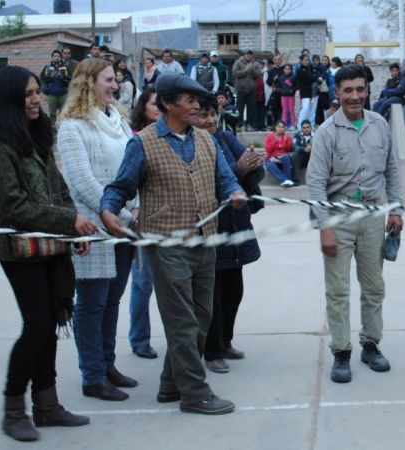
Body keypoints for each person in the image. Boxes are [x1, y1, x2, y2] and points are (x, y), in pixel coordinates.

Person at [100, 72, 245, 416]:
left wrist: (235, 193)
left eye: (199, 99)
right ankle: (195, 393)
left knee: (201, 317)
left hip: (205, 242)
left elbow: (225, 180)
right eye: (189, 99)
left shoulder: (208, 141)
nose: (197, 105)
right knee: (182, 322)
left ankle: (170, 384)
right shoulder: (143, 142)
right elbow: (120, 187)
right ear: (167, 103)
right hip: (166, 246)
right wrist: (108, 211)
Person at [0, 65, 96, 442]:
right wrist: (69, 221)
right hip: (20, 250)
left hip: (51, 246)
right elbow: (13, 207)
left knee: (50, 328)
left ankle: (47, 406)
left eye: (38, 92)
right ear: (10, 99)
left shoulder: (38, 135)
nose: (37, 99)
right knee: (38, 326)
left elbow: (58, 188)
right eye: (29, 94)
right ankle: (14, 410)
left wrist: (71, 226)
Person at [306, 64, 404, 384]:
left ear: (367, 91)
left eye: (360, 89)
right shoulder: (325, 133)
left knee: (374, 287)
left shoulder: (380, 125)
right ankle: (341, 352)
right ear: (336, 93)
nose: (355, 96)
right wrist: (325, 227)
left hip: (374, 217)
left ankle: (371, 345)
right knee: (338, 291)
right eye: (347, 90)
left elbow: (393, 171)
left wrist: (396, 211)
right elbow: (316, 184)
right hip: (338, 218)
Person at [56, 58, 138, 402]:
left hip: (125, 224)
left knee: (113, 300)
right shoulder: (73, 127)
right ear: (88, 82)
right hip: (95, 225)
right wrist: (112, 212)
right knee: (92, 303)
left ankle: (108, 365)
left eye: (116, 80)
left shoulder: (118, 120)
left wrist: (131, 211)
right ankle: (92, 375)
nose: (115, 85)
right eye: (108, 79)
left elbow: (133, 166)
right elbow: (80, 181)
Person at [194, 95, 264, 374]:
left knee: (234, 291)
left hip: (236, 226)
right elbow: (211, 183)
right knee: (213, 296)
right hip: (213, 229)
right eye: (203, 115)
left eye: (213, 114)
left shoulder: (225, 138)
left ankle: (226, 341)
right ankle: (212, 351)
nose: (210, 120)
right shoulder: (193, 145)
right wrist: (240, 168)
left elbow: (252, 178)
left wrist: (254, 165)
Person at [126, 87, 161, 359]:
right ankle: (139, 339)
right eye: (154, 104)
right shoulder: (135, 138)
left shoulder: (170, 136)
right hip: (141, 218)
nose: (160, 107)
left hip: (168, 219)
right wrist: (136, 207)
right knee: (142, 282)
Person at [40, 50, 72, 126]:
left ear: (61, 58)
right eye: (55, 56)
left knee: (64, 113)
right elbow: (42, 78)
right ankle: (53, 130)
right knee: (52, 113)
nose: (56, 58)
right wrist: (49, 76)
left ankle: (63, 128)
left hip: (63, 94)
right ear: (52, 57)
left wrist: (63, 77)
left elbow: (70, 78)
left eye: (58, 56)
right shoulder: (47, 67)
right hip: (51, 94)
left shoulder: (65, 67)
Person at [232, 50, 260, 131]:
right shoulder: (238, 62)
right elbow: (234, 73)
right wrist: (246, 70)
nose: (248, 56)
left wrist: (252, 70)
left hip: (252, 90)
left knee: (251, 109)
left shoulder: (255, 64)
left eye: (250, 55)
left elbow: (258, 75)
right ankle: (238, 125)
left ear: (252, 56)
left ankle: (249, 125)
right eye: (247, 54)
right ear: (244, 55)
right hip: (241, 89)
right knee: (239, 108)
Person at [264, 120, 295, 187]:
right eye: (278, 127)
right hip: (273, 158)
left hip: (284, 158)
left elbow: (289, 149)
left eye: (282, 127)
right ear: (275, 127)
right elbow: (268, 150)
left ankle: (286, 180)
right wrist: (274, 141)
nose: (280, 129)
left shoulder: (287, 136)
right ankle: (285, 180)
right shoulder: (270, 137)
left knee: (286, 157)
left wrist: (287, 141)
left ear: (284, 128)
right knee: (269, 165)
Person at [296, 54, 317, 127]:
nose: (307, 61)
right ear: (301, 61)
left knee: (312, 111)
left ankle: (312, 126)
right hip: (305, 92)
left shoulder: (310, 68)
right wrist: (316, 78)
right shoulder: (300, 70)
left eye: (308, 60)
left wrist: (315, 78)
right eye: (305, 60)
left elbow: (314, 77)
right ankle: (299, 126)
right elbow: (311, 78)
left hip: (313, 93)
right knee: (305, 109)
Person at [278, 63, 297, 130]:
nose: (287, 70)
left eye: (289, 69)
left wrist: (292, 90)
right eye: (286, 69)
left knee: (291, 110)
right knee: (285, 111)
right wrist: (281, 91)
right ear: (284, 70)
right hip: (283, 96)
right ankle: (283, 125)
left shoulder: (293, 77)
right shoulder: (281, 77)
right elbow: (279, 86)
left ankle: (293, 125)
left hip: (291, 96)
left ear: (291, 70)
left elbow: (296, 86)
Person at [267, 54, 284, 125]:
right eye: (276, 60)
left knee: (283, 109)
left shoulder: (284, 69)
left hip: (283, 93)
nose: (277, 61)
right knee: (275, 109)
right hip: (275, 92)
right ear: (274, 61)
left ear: (281, 60)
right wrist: (273, 80)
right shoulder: (272, 71)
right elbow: (268, 82)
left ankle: (283, 124)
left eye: (279, 59)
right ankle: (275, 124)